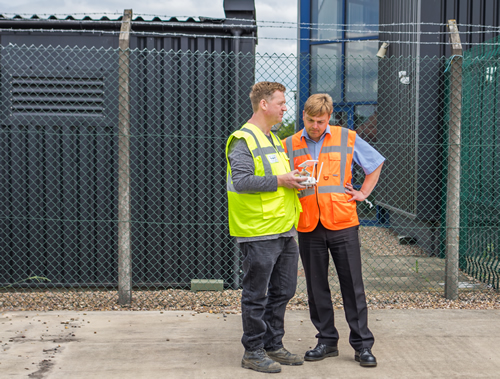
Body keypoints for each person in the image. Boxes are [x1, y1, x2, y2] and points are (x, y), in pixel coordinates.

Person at [283, 94, 385, 368]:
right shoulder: (289, 144)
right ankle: (326, 341)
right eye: (310, 120)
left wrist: (363, 192)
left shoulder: (347, 137)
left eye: (321, 121)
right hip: (308, 224)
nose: (315, 126)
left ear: (329, 118)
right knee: (317, 288)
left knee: (352, 286)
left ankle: (363, 345)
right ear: (303, 115)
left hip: (342, 222)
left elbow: (375, 163)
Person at [225, 81, 307, 374]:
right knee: (256, 294)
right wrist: (282, 181)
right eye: (281, 103)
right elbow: (243, 181)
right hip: (258, 230)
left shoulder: (272, 139)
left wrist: (294, 181)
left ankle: (273, 345)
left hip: (284, 229)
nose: (285, 108)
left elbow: (277, 178)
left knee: (284, 290)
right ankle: (254, 351)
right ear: (264, 104)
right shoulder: (243, 140)